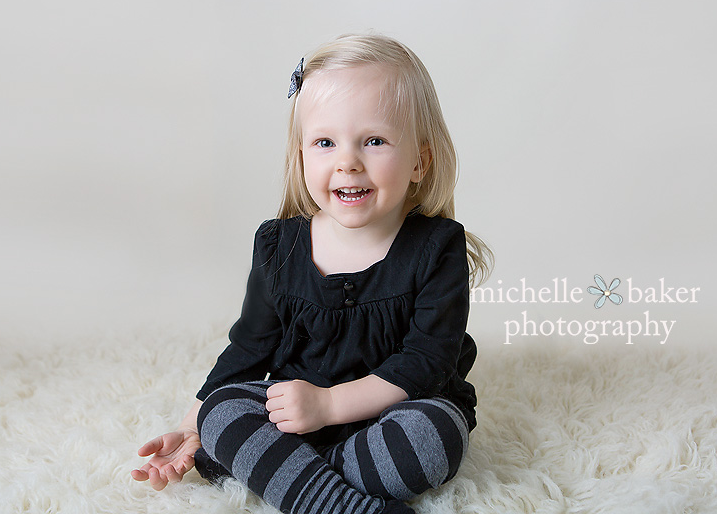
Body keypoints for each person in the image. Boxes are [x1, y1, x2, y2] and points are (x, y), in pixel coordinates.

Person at [131, 33, 493, 514]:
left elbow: (427, 361)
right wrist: (193, 424)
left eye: (374, 141)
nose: (348, 161)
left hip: (393, 409)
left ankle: (298, 481)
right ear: (302, 156)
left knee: (434, 437)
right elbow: (250, 345)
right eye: (325, 142)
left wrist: (330, 406)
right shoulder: (280, 246)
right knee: (223, 414)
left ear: (419, 162)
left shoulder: (435, 246)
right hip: (295, 409)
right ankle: (340, 499)